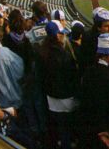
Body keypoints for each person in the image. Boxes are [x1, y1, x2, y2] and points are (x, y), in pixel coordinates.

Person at [37, 20, 79, 149]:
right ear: (57, 35)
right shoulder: (64, 55)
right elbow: (72, 77)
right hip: (65, 98)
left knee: (56, 126)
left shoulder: (42, 51)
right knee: (66, 127)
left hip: (51, 98)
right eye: (62, 33)